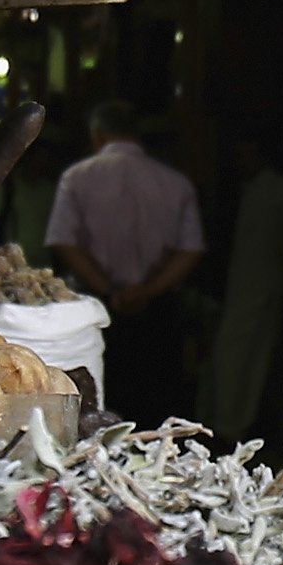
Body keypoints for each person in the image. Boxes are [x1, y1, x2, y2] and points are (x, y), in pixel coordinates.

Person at [46, 98, 205, 423]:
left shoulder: (77, 178)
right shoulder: (176, 183)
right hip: (158, 312)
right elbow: (190, 250)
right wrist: (146, 290)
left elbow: (64, 242)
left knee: (103, 408)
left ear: (98, 136)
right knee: (156, 408)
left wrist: (111, 287)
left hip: (100, 307)